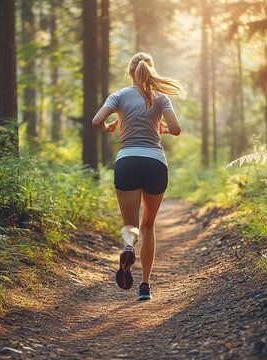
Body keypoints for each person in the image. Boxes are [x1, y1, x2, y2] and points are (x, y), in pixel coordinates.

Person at [92, 52, 187, 300]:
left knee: (131, 226)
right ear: (151, 71)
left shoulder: (119, 95)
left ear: (130, 72)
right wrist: (162, 128)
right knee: (148, 225)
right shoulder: (161, 98)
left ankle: (127, 246)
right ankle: (144, 286)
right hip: (155, 163)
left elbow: (96, 121)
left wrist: (108, 126)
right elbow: (176, 129)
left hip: (128, 161)